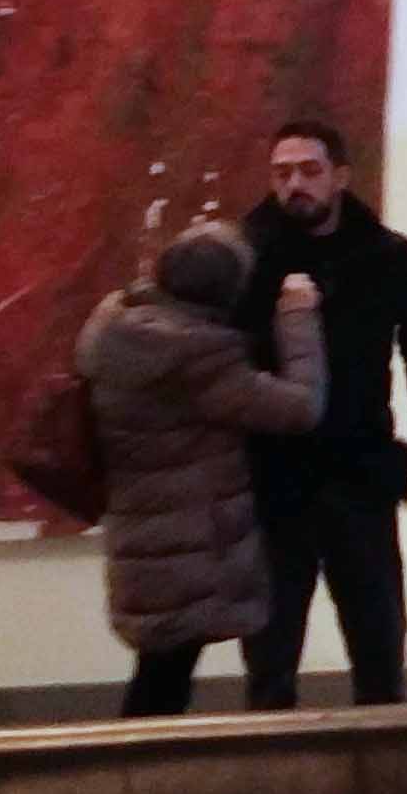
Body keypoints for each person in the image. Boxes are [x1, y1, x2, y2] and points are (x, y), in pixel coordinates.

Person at [234, 117, 407, 710]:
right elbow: (224, 356)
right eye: (282, 173)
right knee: (270, 655)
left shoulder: (384, 252)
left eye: (309, 171)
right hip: (275, 475)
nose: (294, 185)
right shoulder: (247, 253)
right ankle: (272, 763)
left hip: (360, 469)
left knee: (379, 643)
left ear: (340, 176)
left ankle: (384, 763)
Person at [79, 225, 325, 717]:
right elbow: (300, 407)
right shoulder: (199, 358)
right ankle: (138, 767)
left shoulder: (117, 331)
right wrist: (297, 317)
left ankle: (138, 763)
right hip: (187, 542)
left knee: (160, 673)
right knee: (162, 685)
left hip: (144, 535)